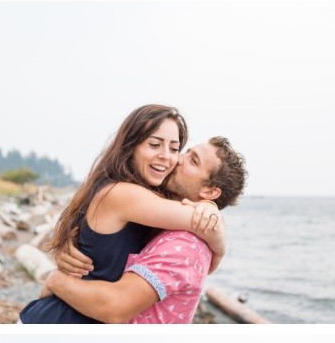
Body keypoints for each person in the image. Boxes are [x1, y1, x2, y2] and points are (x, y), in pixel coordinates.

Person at [18, 104, 226, 324]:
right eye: (154, 144)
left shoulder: (148, 198)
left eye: (174, 148)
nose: (167, 157)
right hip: (56, 323)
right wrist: (219, 248)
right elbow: (200, 223)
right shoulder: (123, 194)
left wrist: (209, 206)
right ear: (130, 146)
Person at [42, 137, 248, 323]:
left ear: (210, 191)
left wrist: (57, 280)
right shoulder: (154, 217)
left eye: (193, 160)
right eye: (185, 151)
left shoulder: (185, 244)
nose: (177, 159)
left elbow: (115, 306)